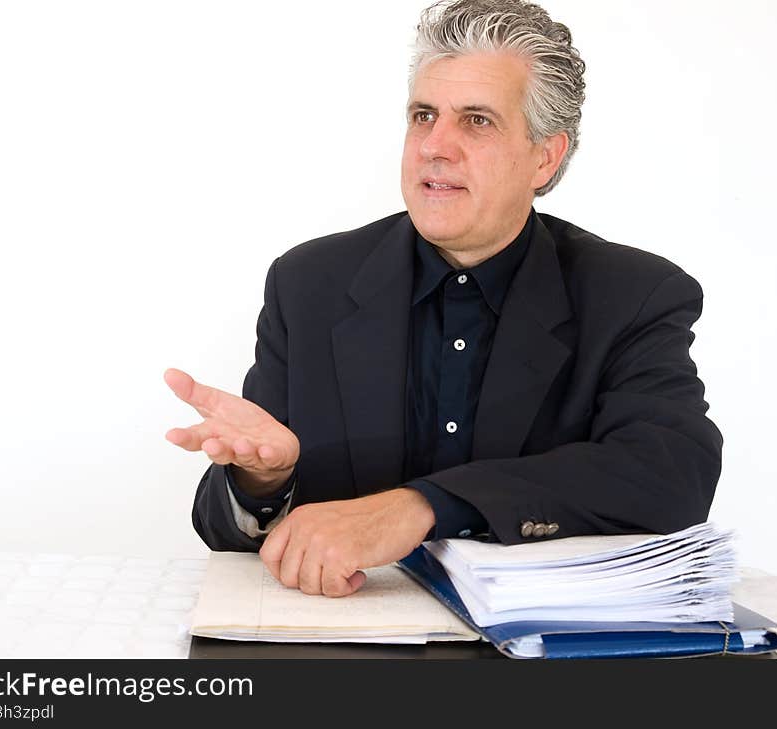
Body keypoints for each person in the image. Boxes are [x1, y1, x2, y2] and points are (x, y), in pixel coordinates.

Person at [164, 0, 723, 597]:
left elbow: (670, 474)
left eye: (476, 120)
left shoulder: (633, 294)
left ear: (546, 156)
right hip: (345, 639)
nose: (436, 144)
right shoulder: (309, 282)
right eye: (423, 115)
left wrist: (423, 506)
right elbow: (223, 528)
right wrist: (262, 480)